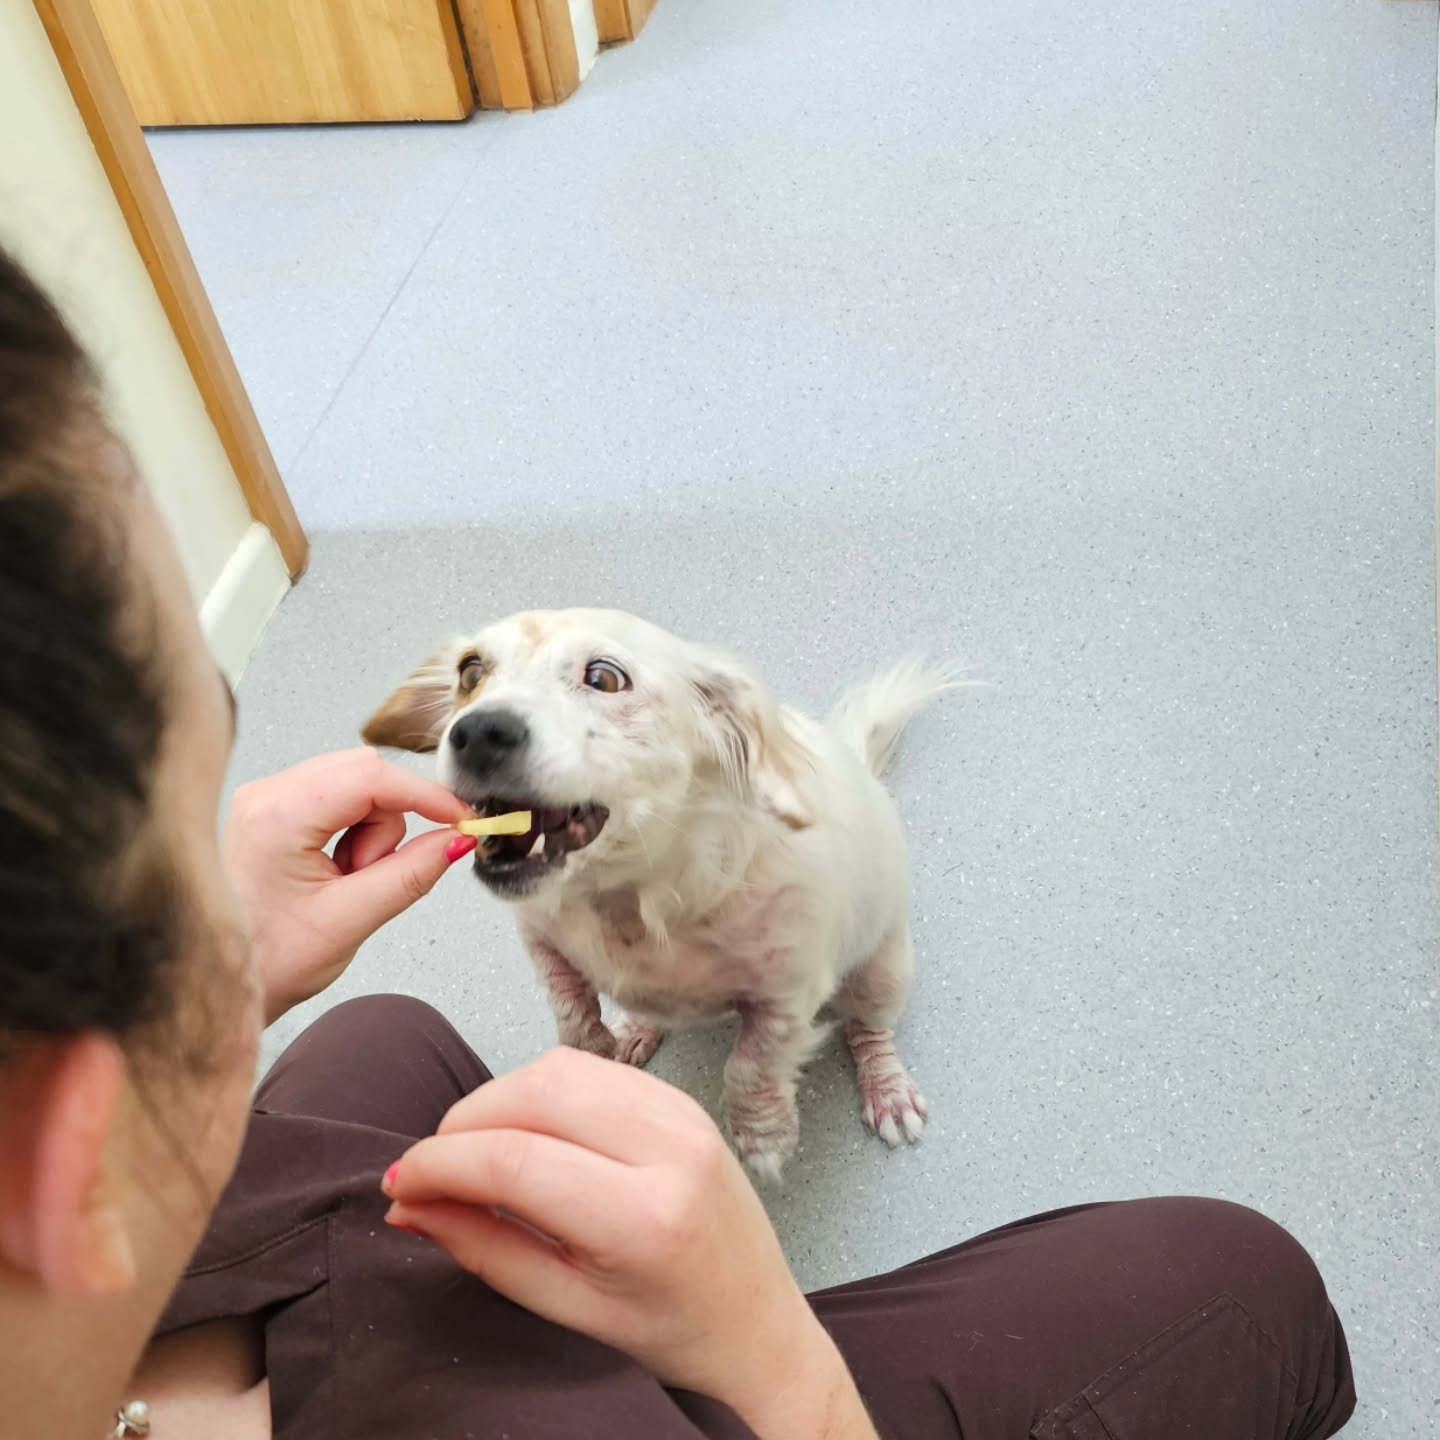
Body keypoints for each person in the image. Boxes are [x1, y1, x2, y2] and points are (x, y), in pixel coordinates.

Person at [0, 243, 1355, 1440]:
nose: (475, 727)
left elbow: (780, 980)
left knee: (405, 1025)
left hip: (179, 1335)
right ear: (71, 1129)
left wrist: (227, 968)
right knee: (1244, 1276)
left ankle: (867, 1048)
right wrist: (775, 1359)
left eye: (585, 684)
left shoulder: (730, 818)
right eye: (471, 686)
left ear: (728, 735)